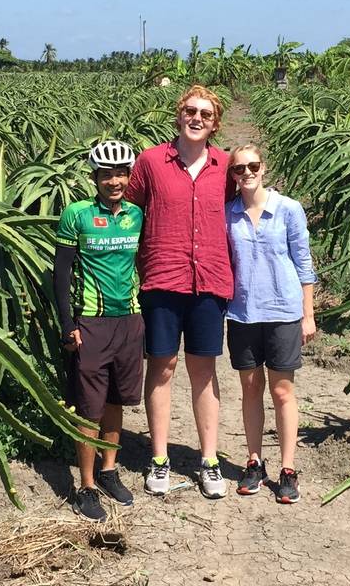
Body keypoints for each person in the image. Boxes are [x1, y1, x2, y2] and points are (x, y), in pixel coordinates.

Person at [123, 85, 234, 499]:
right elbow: (129, 212)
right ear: (178, 115)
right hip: (162, 279)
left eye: (206, 114)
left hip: (209, 280)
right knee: (163, 368)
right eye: (190, 110)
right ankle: (159, 459)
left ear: (215, 123)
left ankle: (208, 461)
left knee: (204, 372)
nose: (197, 118)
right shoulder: (151, 161)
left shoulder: (226, 166)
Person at [53, 140, 145, 521]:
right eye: (106, 174)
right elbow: (61, 273)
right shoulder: (77, 214)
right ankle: (87, 486)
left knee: (116, 401)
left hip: (129, 320)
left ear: (128, 176)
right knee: (88, 408)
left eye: (121, 173)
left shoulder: (137, 215)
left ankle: (109, 470)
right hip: (90, 322)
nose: (114, 181)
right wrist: (67, 323)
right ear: (94, 177)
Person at [223, 144, 317, 504]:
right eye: (238, 169)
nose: (246, 173)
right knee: (250, 389)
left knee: (282, 392)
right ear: (232, 175)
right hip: (243, 312)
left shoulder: (288, 209)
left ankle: (288, 467)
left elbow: (304, 263)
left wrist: (308, 314)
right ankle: (254, 461)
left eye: (253, 166)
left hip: (283, 311)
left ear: (264, 168)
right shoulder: (229, 213)